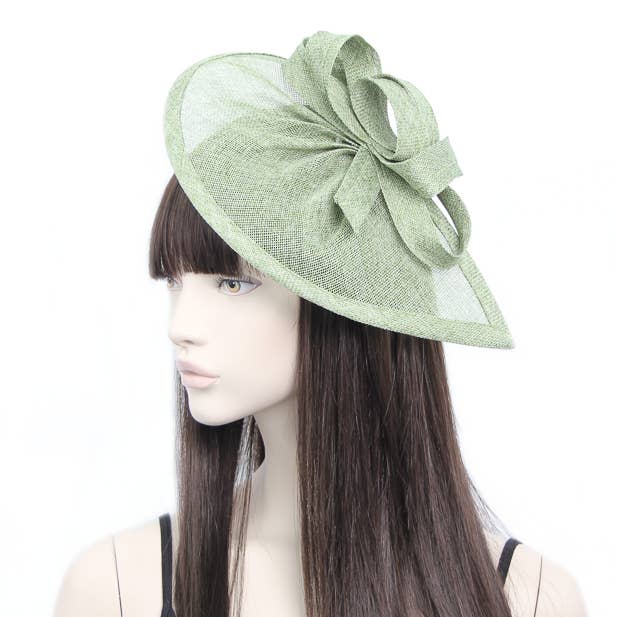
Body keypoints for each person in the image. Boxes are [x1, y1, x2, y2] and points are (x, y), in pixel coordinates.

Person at [53, 31, 588, 617]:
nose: (180, 325)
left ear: (345, 311)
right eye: (175, 282)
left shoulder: (528, 597)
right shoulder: (116, 588)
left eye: (232, 283)